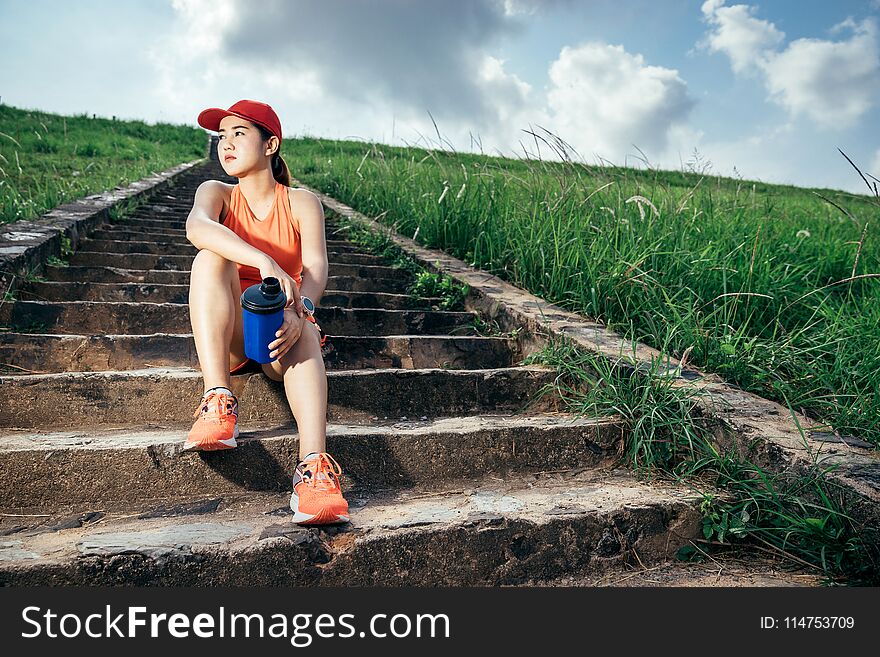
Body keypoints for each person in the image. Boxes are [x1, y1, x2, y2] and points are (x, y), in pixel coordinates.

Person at [183, 99, 348, 526]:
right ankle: (218, 400)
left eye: (240, 133)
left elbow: (315, 271)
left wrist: (302, 312)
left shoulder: (300, 201)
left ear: (270, 144)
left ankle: (313, 471)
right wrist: (264, 261)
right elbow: (197, 227)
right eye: (222, 136)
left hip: (282, 329)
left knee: (307, 331)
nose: (227, 144)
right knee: (208, 259)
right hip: (234, 328)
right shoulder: (215, 192)